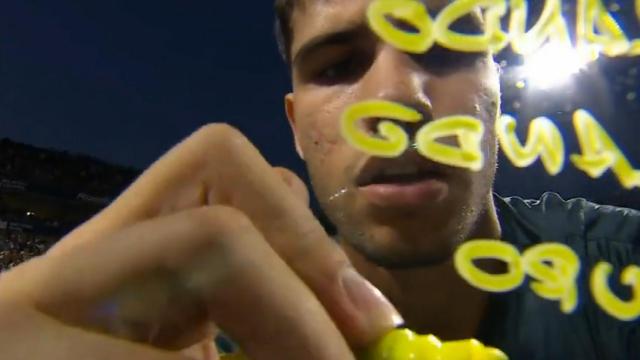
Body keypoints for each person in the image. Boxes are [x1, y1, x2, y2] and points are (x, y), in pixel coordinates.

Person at [0, 0, 637, 359]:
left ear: (497, 99)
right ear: (298, 126)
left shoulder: (621, 268)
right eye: (338, 66)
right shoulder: (202, 338)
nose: (394, 100)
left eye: (446, 49)